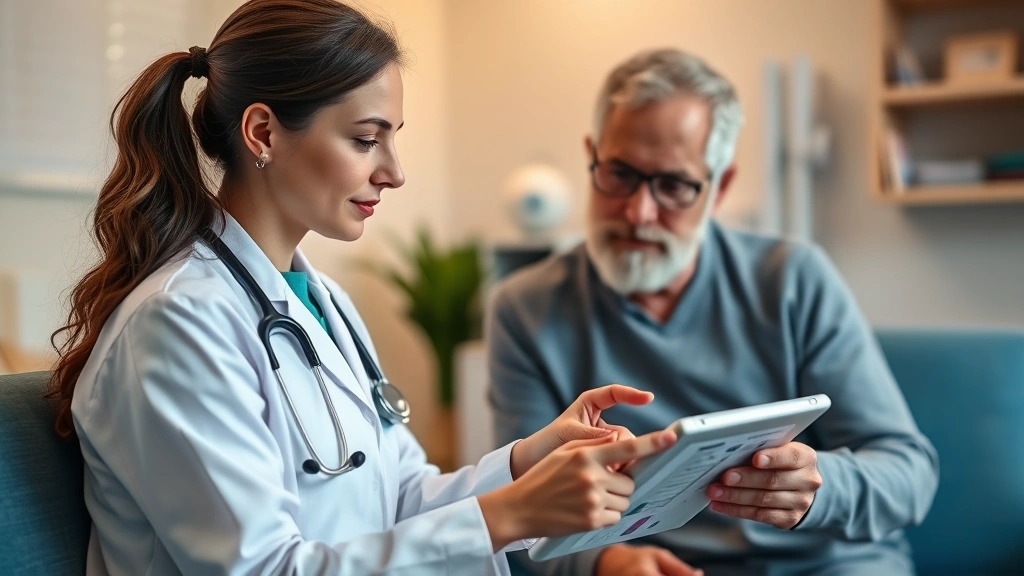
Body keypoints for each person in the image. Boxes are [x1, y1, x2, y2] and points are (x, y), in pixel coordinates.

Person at [46, 2, 678, 574]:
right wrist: (507, 515)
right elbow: (260, 569)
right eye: (365, 139)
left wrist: (528, 462)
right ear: (263, 133)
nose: (394, 172)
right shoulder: (178, 322)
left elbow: (399, 497)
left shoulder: (321, 305)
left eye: (392, 140)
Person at [488, 48, 939, 576]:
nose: (639, 212)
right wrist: (606, 560)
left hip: (826, 563)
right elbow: (522, 512)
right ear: (592, 157)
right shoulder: (525, 308)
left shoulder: (794, 279)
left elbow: (910, 475)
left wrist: (820, 489)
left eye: (674, 186)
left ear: (719, 187)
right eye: (620, 174)